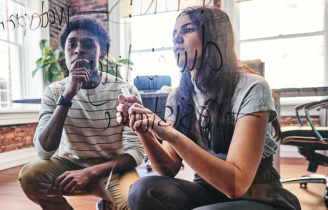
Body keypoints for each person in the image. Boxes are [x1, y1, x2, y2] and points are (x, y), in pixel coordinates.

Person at [116, 6, 301, 210]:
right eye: (174, 34)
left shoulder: (252, 87)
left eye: (187, 30)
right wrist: (146, 128)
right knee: (142, 190)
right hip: (207, 191)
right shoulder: (178, 96)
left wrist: (170, 134)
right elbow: (168, 168)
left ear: (214, 38)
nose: (176, 39)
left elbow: (235, 185)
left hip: (260, 196)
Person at [18, 16, 144, 210]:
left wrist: (91, 173)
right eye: (72, 45)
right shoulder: (54, 91)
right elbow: (44, 151)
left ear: (102, 54)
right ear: (65, 53)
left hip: (114, 169)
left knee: (135, 203)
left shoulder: (124, 89)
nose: (78, 49)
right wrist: (68, 95)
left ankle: (107, 204)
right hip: (70, 166)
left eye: (88, 44)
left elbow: (135, 152)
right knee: (30, 176)